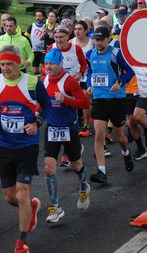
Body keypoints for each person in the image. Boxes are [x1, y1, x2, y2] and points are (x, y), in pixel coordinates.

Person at [0, 45, 52, 253]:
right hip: (4, 145)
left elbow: (47, 106)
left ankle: (22, 242)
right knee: (9, 197)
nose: (5, 68)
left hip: (26, 146)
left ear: (19, 63)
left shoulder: (32, 82)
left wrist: (38, 123)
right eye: (2, 64)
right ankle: (30, 208)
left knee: (22, 193)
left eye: (9, 64)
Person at [40, 48, 91, 223]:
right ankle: (55, 207)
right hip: (52, 128)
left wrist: (65, 100)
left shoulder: (69, 82)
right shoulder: (43, 81)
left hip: (69, 129)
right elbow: (39, 103)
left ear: (60, 63)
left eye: (51, 64)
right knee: (48, 166)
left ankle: (84, 187)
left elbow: (84, 102)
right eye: (46, 63)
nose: (48, 67)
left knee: (76, 164)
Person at [86, 26, 136, 185]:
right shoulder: (90, 54)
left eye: (101, 40)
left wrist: (120, 82)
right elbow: (90, 72)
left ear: (108, 38)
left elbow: (130, 70)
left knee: (120, 136)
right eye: (96, 39)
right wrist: (89, 85)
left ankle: (126, 152)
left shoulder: (116, 53)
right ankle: (102, 172)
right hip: (100, 99)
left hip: (116, 99)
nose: (98, 43)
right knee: (99, 135)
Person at [25, 9, 47, 75]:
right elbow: (26, 36)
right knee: (35, 71)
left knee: (41, 68)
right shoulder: (32, 26)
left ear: (43, 17)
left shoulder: (46, 26)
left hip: (43, 51)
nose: (38, 18)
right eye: (36, 16)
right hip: (34, 51)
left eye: (40, 16)